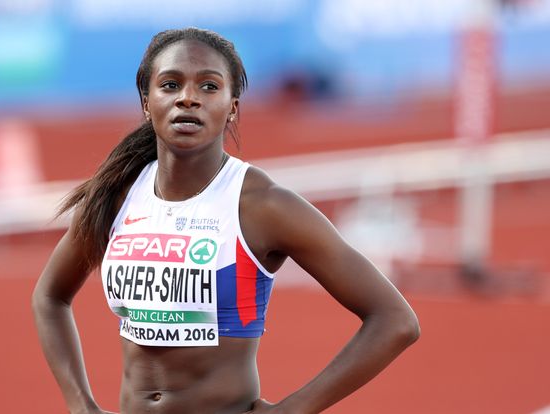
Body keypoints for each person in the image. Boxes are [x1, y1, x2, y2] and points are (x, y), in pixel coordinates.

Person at [32, 27, 420, 414]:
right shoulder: (117, 196)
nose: (188, 98)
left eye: (209, 87)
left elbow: (394, 319)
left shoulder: (262, 206)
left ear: (232, 106)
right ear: (147, 102)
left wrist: (291, 410)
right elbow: (50, 296)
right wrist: (80, 405)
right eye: (170, 85)